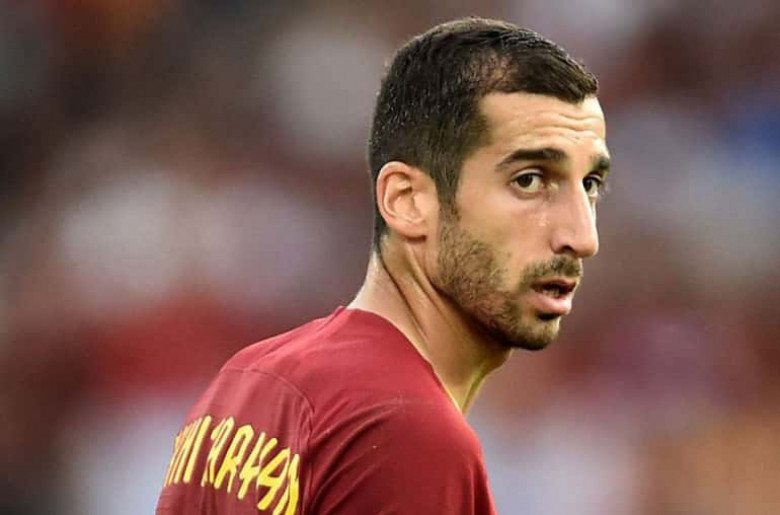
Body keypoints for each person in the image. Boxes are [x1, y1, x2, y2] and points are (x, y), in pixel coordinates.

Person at [156, 16, 610, 515]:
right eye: (529, 180)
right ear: (407, 200)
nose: (582, 237)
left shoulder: (248, 382)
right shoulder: (409, 433)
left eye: (590, 184)